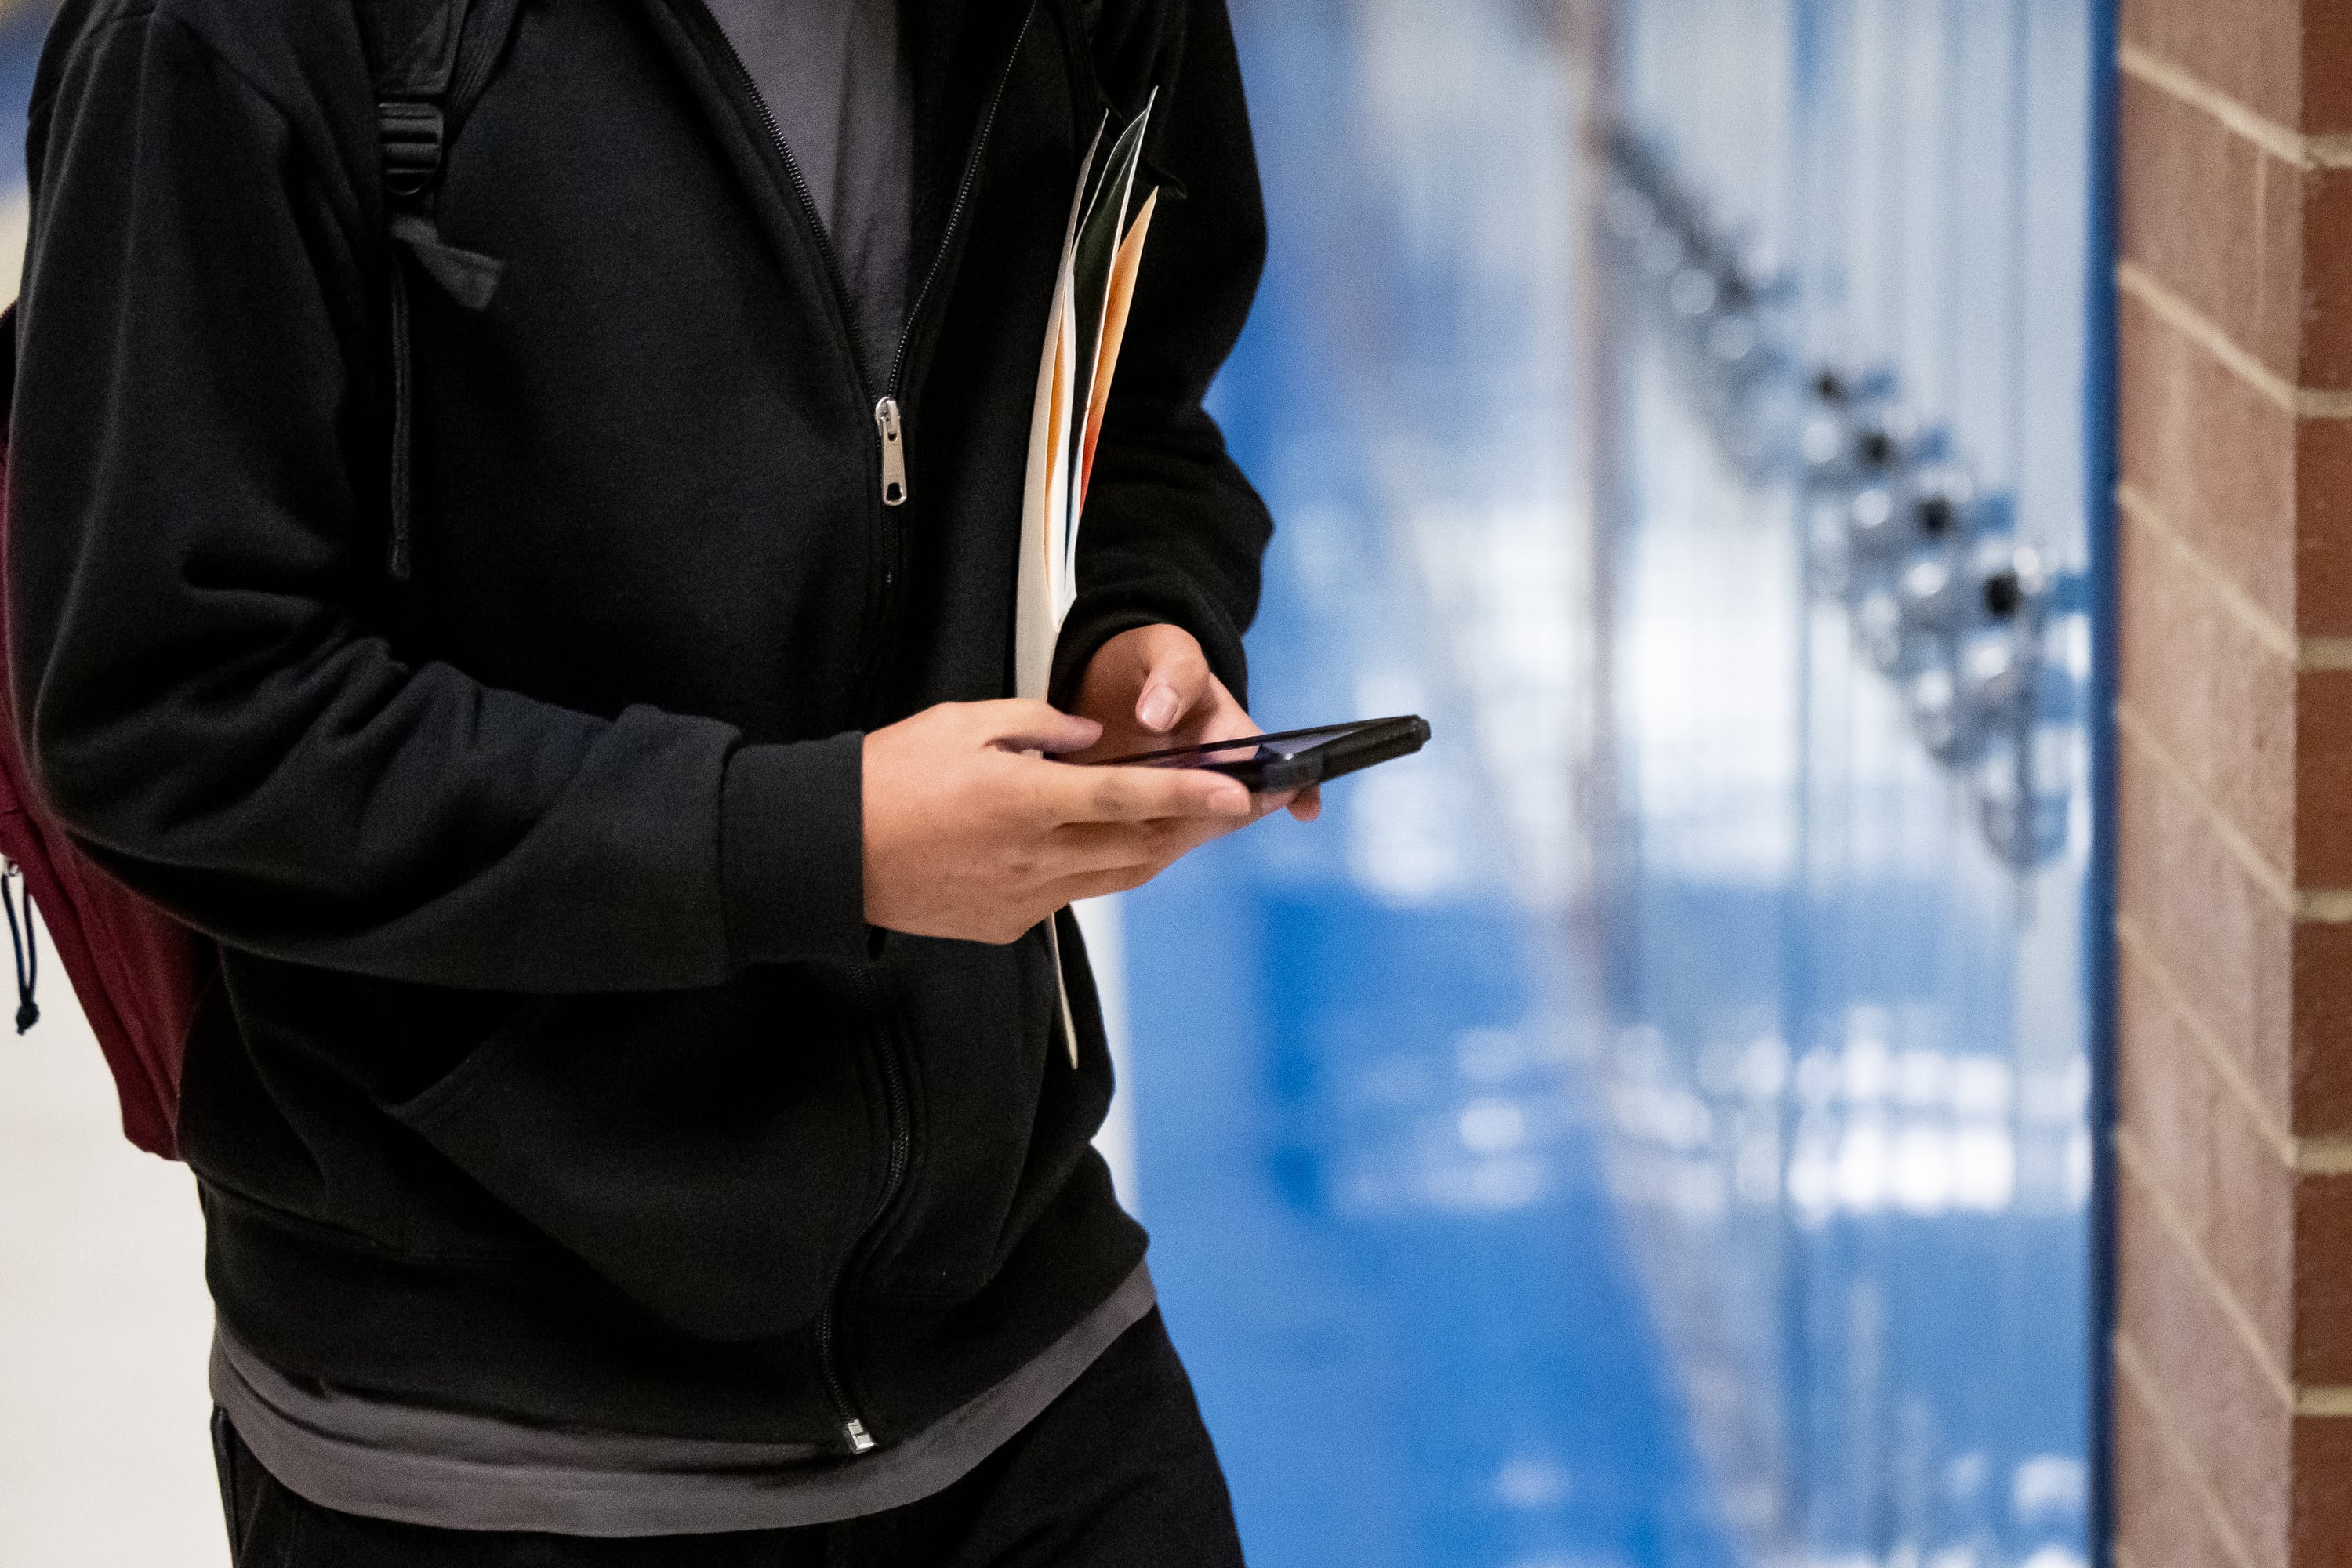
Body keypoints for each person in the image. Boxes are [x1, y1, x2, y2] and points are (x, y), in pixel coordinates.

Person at [13, 0, 1303, 1559]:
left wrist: (1136, 621)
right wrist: (810, 845)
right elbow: (174, 710)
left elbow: (1138, 405)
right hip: (483, 1419)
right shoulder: (235, 37)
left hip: (1014, 1333)